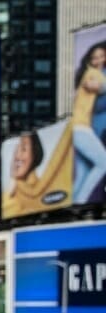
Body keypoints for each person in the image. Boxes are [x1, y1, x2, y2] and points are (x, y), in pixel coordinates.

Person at [72, 42, 106, 203]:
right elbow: (93, 85)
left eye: (101, 56)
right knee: (104, 163)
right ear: (90, 60)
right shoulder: (93, 73)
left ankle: (74, 206)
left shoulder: (92, 73)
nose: (99, 60)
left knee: (83, 172)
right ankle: (81, 202)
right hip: (80, 129)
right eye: (95, 57)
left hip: (79, 128)